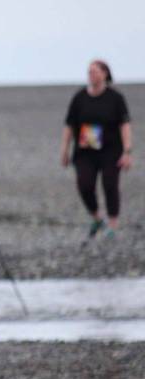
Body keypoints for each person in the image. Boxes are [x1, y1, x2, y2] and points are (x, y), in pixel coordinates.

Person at [61, 59, 133, 242]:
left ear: (105, 74)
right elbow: (69, 125)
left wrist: (127, 151)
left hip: (110, 151)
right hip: (85, 152)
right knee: (85, 186)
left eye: (95, 71)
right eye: (89, 72)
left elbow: (125, 124)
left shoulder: (115, 98)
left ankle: (113, 225)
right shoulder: (80, 98)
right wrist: (64, 150)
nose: (91, 75)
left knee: (110, 186)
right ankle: (97, 218)